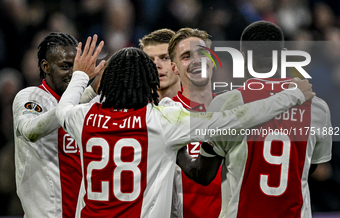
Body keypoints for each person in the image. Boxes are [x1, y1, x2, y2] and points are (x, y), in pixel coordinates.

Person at [55, 39, 314, 217]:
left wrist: (80, 75)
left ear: (108, 82)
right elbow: (236, 118)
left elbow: (62, 109)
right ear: (149, 81)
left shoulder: (83, 117)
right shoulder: (163, 120)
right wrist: (291, 97)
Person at [177, 21, 332, 218]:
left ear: (243, 56)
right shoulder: (317, 107)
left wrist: (177, 149)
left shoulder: (226, 104)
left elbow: (204, 174)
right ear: (283, 54)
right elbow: (310, 168)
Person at [12, 32, 105, 218]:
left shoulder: (83, 105)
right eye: (65, 66)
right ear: (46, 66)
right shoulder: (30, 97)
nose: (73, 73)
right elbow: (31, 131)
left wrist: (93, 90)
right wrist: (81, 84)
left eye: (76, 67)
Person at [167, 27, 221, 218]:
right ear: (174, 68)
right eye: (186, 56)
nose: (197, 61)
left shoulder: (233, 110)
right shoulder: (164, 115)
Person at [139, 28, 181, 100]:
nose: (156, 65)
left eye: (165, 58)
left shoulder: (200, 107)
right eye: (150, 60)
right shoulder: (130, 108)